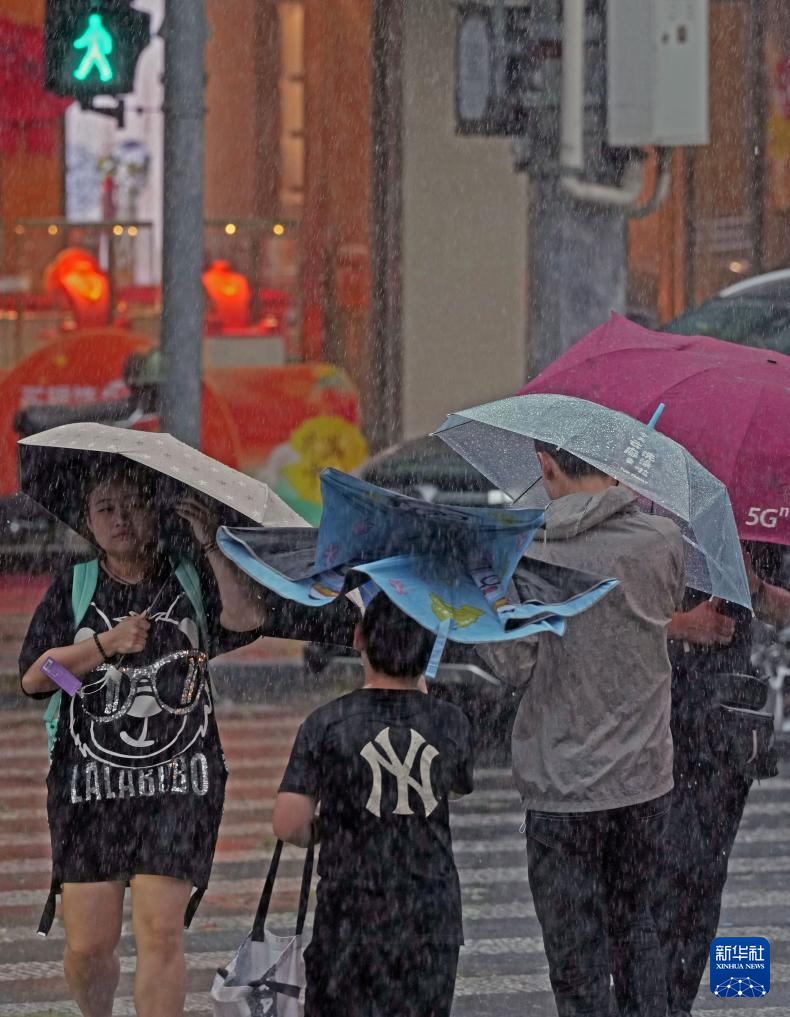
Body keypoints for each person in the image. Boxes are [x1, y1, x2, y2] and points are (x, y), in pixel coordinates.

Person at [19, 465, 269, 1017]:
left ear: (155, 512)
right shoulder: (75, 587)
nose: (121, 519)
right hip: (90, 788)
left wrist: (213, 546)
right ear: (88, 521)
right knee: (88, 947)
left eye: (132, 504)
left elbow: (248, 617)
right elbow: (38, 678)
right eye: (105, 508)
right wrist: (104, 647)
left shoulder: (189, 577)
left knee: (161, 934)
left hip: (178, 783)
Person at [476, 441, 685, 1017]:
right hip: (643, 779)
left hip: (561, 783)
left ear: (546, 465)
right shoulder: (662, 539)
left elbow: (514, 664)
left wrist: (492, 599)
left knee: (576, 965)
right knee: (637, 931)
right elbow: (664, 609)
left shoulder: (529, 549)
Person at [272, 593, 474, 1017]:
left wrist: (324, 828)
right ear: (429, 648)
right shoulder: (451, 721)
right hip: (430, 918)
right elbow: (454, 787)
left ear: (358, 638)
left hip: (350, 918)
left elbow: (289, 823)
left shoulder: (327, 723)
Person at [656, 541, 790, 1016]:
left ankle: (676, 1001)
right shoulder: (648, 522)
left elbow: (782, 609)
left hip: (724, 733)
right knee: (659, 876)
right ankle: (649, 999)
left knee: (704, 880)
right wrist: (679, 625)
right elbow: (605, 618)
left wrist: (755, 589)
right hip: (650, 727)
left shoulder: (750, 529)